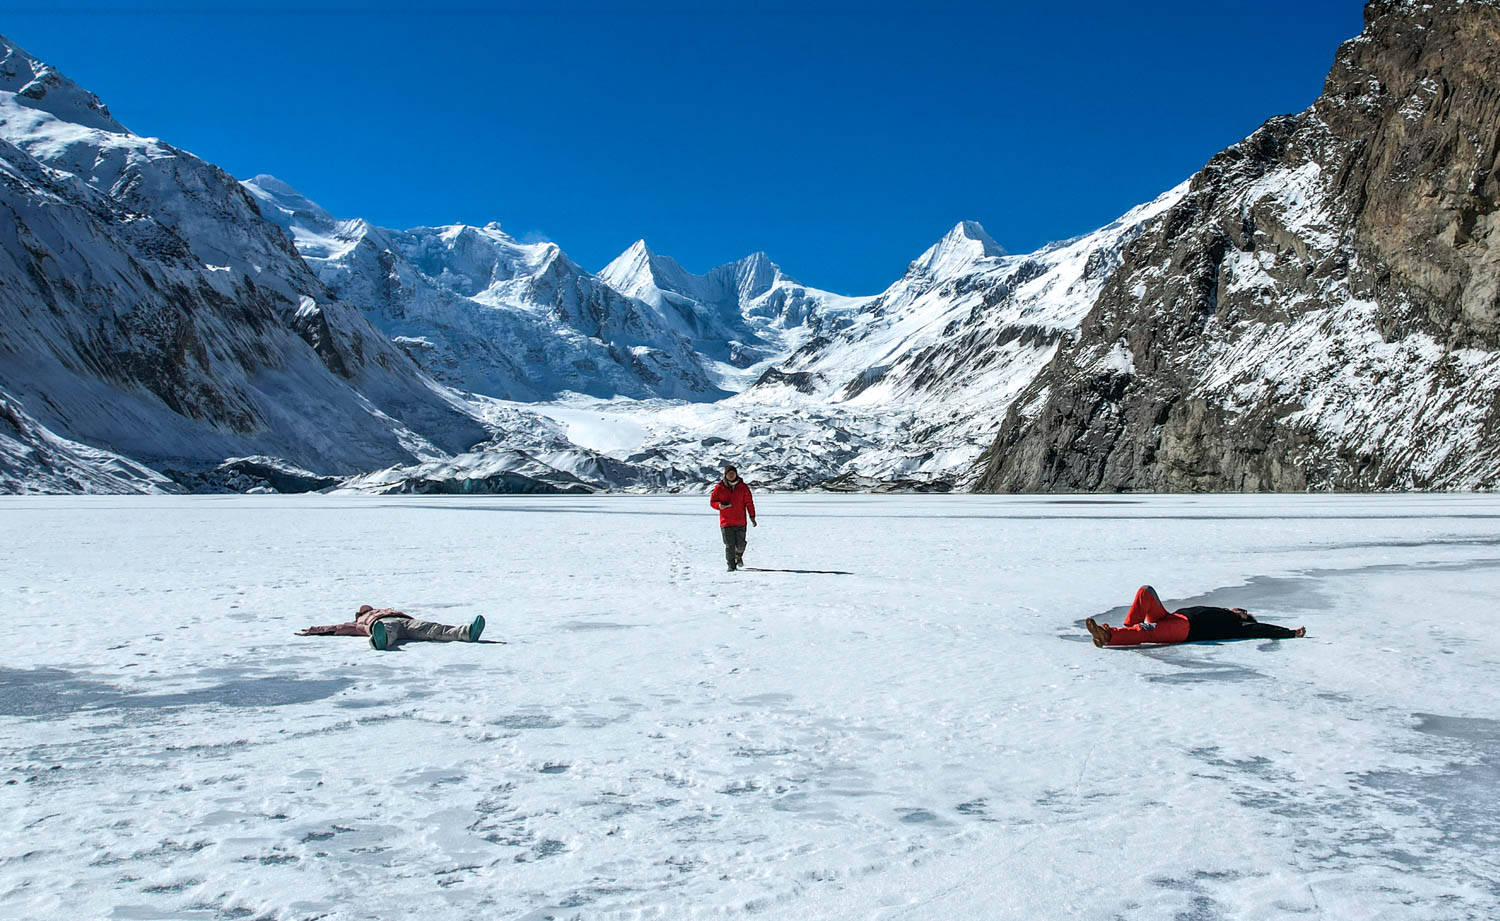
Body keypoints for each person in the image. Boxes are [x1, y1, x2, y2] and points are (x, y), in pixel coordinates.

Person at [1084, 585, 1305, 648]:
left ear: (1245, 619)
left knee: (1146, 631)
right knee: (1145, 591)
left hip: (1183, 631)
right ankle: (1127, 629)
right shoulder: (1223, 612)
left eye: (1243, 612)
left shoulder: (1236, 626)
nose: (1239, 610)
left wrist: (1289, 633)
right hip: (1172, 618)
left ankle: (1109, 637)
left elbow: (1262, 629)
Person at [296, 604, 485, 650]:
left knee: (431, 628)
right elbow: (338, 628)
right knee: (387, 632)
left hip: (405, 621)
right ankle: (380, 641)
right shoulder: (360, 622)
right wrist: (314, 630)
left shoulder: (387, 610)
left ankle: (466, 632)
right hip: (382, 625)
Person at [709, 463, 757, 571]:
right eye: (729, 474)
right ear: (725, 475)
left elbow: (749, 502)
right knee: (729, 545)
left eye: (733, 473)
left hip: (740, 521)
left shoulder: (743, 487)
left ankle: (738, 556)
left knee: (741, 544)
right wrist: (719, 506)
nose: (731, 475)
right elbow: (712, 502)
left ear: (736, 474)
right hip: (726, 522)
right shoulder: (719, 488)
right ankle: (731, 565)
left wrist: (752, 516)